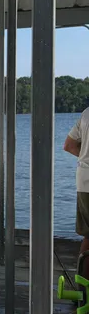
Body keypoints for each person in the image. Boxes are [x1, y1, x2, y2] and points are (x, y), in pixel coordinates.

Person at [65, 106, 89, 275]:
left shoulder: (87, 113)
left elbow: (69, 145)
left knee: (88, 234)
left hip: (85, 179)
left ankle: (82, 284)